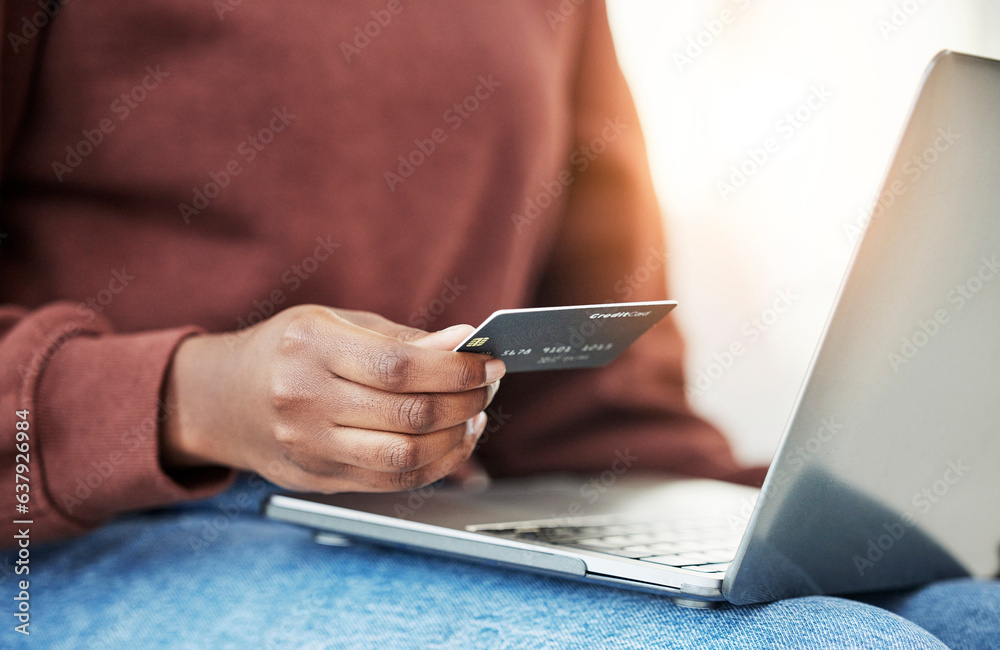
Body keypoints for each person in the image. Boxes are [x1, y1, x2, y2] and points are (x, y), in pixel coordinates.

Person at [0, 1, 996, 647]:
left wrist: (826, 515)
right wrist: (189, 396)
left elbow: (595, 409)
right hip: (80, 547)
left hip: (436, 523)